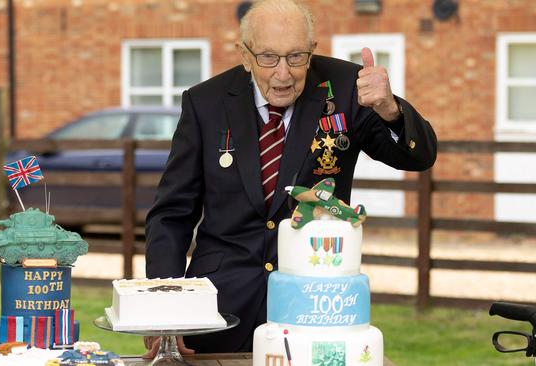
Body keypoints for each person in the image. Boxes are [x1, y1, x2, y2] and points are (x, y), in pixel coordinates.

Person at [143, 0, 437, 356]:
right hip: (219, 306)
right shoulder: (205, 103)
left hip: (314, 307)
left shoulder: (347, 89)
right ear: (245, 55)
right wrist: (163, 314)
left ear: (312, 51)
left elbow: (419, 156)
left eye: (296, 57)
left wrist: (389, 109)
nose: (283, 73)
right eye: (268, 57)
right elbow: (171, 215)